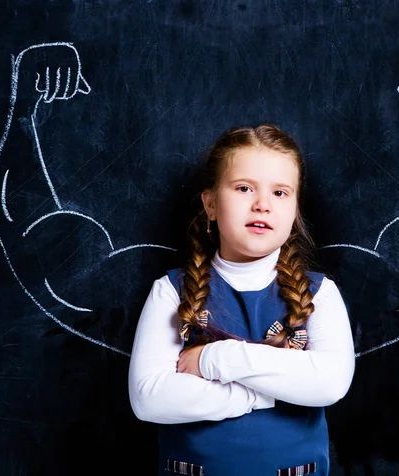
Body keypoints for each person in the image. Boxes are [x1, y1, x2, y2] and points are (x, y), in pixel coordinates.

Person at [128, 123, 355, 475]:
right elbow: (149, 398)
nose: (262, 204)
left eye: (280, 193)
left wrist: (215, 359)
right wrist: (263, 394)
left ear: (294, 212)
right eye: (244, 188)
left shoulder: (320, 294)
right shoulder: (171, 290)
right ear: (211, 204)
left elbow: (328, 383)